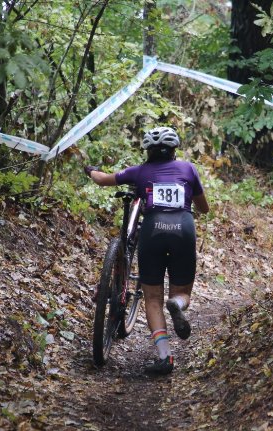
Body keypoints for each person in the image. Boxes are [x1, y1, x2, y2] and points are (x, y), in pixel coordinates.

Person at [84, 126, 210, 375]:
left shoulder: (139, 172)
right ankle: (176, 303)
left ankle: (165, 357)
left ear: (148, 151)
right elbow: (204, 208)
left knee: (152, 299)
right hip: (183, 230)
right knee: (182, 292)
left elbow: (101, 179)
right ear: (174, 150)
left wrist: (89, 170)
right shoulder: (188, 169)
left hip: (152, 231)